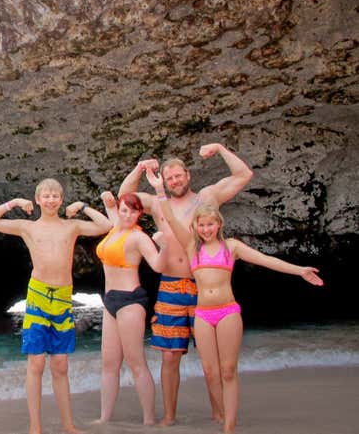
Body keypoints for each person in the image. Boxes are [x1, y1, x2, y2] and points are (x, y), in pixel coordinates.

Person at [145, 166, 324, 434]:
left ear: (219, 224)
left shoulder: (233, 248)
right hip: (204, 313)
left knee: (227, 370)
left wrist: (300, 271)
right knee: (209, 370)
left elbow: (267, 260)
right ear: (196, 227)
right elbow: (169, 218)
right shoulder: (193, 247)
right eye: (201, 225)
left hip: (228, 311)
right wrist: (160, 191)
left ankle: (229, 426)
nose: (206, 229)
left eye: (210, 224)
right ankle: (220, 414)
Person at [118, 143, 253, 426]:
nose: (175, 181)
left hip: (203, 286)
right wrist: (140, 168)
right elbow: (124, 196)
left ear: (187, 175)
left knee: (211, 361)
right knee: (169, 357)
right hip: (169, 284)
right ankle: (169, 415)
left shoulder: (206, 198)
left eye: (178, 176)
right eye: (170, 178)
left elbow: (244, 175)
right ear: (164, 181)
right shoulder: (157, 203)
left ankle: (219, 412)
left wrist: (220, 149)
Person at [0, 178, 112, 434]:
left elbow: (106, 225)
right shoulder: (27, 227)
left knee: (60, 365)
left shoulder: (71, 226)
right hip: (38, 296)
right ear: (38, 200)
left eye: (56, 196)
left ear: (61, 200)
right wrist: (14, 203)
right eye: (46, 196)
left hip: (63, 298)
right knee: (36, 364)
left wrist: (82, 206)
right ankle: (35, 426)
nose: (51, 200)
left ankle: (68, 425)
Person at [75, 191, 166, 426]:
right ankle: (105, 417)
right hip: (109, 301)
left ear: (139, 213)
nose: (126, 215)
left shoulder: (139, 238)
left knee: (136, 362)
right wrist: (85, 205)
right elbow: (109, 213)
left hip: (130, 301)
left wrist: (164, 245)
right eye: (123, 210)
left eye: (132, 211)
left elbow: (157, 265)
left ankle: (148, 420)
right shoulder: (115, 227)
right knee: (109, 364)